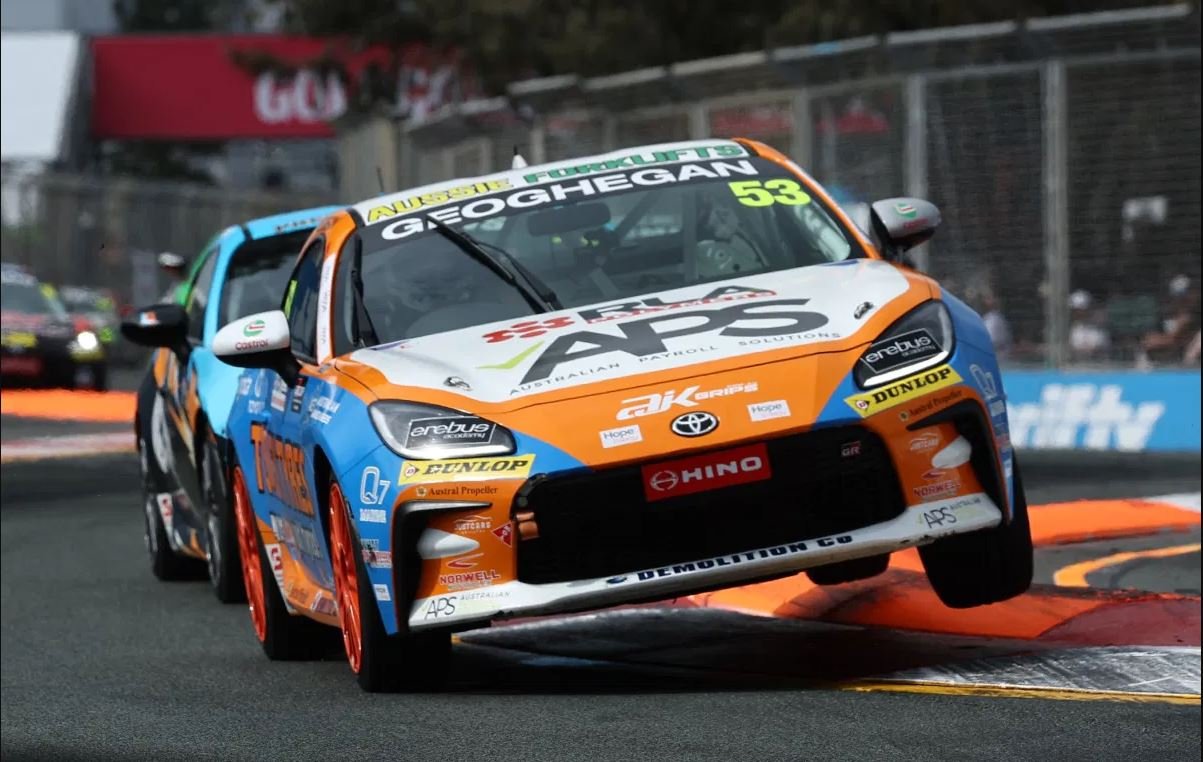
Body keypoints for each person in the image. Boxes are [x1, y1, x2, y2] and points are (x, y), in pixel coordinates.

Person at [694, 195, 767, 279]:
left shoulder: (756, 232)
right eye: (706, 218)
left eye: (725, 213)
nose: (721, 217)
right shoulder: (702, 251)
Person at [1141, 274, 1200, 366]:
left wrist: (1154, 341)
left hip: (1186, 354)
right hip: (1170, 354)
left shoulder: (1192, 314)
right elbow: (1165, 338)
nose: (1189, 297)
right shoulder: (1169, 313)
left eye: (1190, 293)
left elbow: (1174, 339)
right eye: (1180, 297)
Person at [1068, 289, 1110, 363]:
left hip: (1097, 365)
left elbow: (1100, 348)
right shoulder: (1072, 327)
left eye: (1080, 310)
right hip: (1076, 365)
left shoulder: (1098, 326)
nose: (1077, 313)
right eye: (1075, 310)